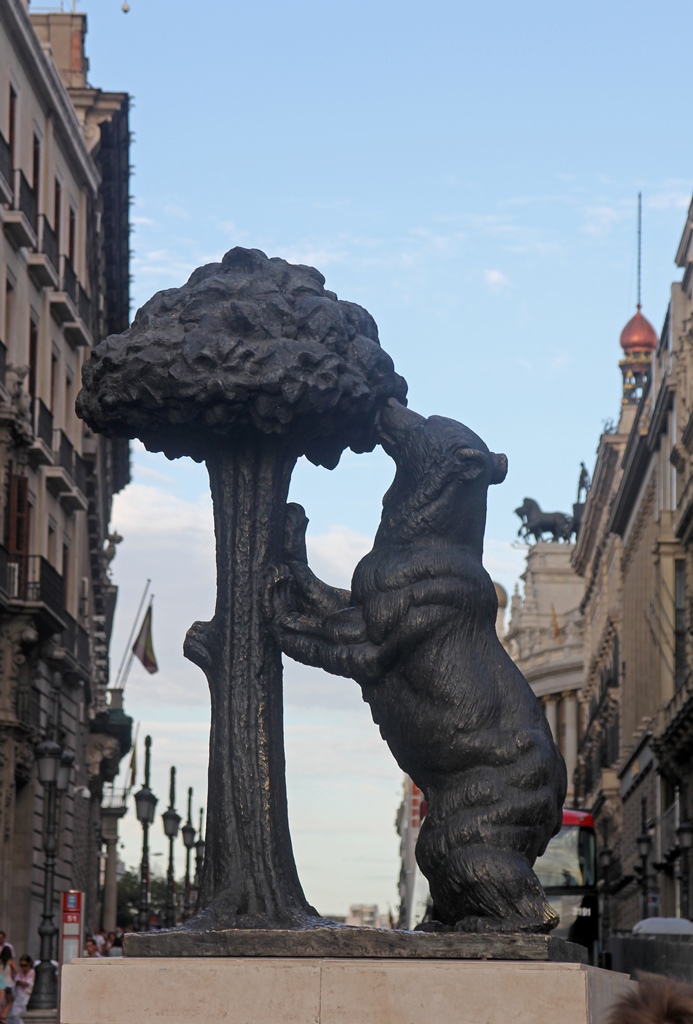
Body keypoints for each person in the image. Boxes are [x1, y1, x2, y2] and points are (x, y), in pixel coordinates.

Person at [6, 957, 33, 1024]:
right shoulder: (19, 975)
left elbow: (30, 984)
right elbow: (14, 985)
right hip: (19, 999)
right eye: (21, 965)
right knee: (16, 1018)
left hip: (28, 999)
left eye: (25, 965)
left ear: (29, 964)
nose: (23, 967)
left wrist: (23, 983)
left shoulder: (33, 973)